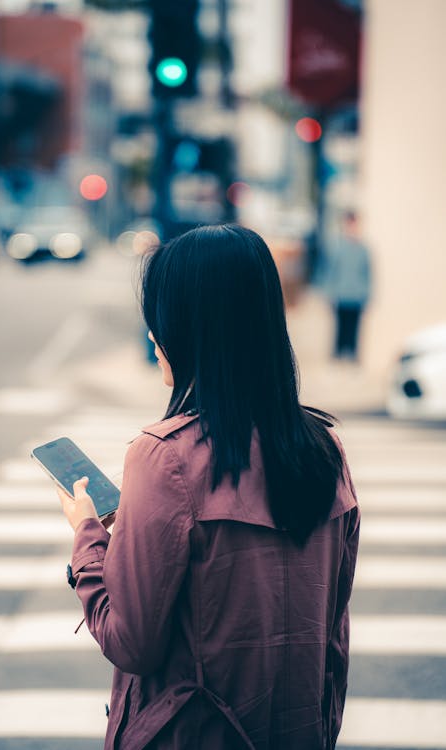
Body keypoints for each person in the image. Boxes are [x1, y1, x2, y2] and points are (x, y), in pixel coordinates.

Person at [58, 224, 360, 750]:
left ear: (191, 327)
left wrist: (89, 534)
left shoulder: (164, 456)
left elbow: (131, 643)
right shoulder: (324, 448)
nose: (153, 335)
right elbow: (332, 630)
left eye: (160, 318)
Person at [324, 211, 372, 360]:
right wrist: (330, 293)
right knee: (340, 328)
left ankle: (352, 355)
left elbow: (367, 274)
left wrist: (366, 294)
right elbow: (331, 272)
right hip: (341, 295)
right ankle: (338, 354)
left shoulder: (363, 250)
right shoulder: (337, 248)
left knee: (354, 329)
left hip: (356, 297)